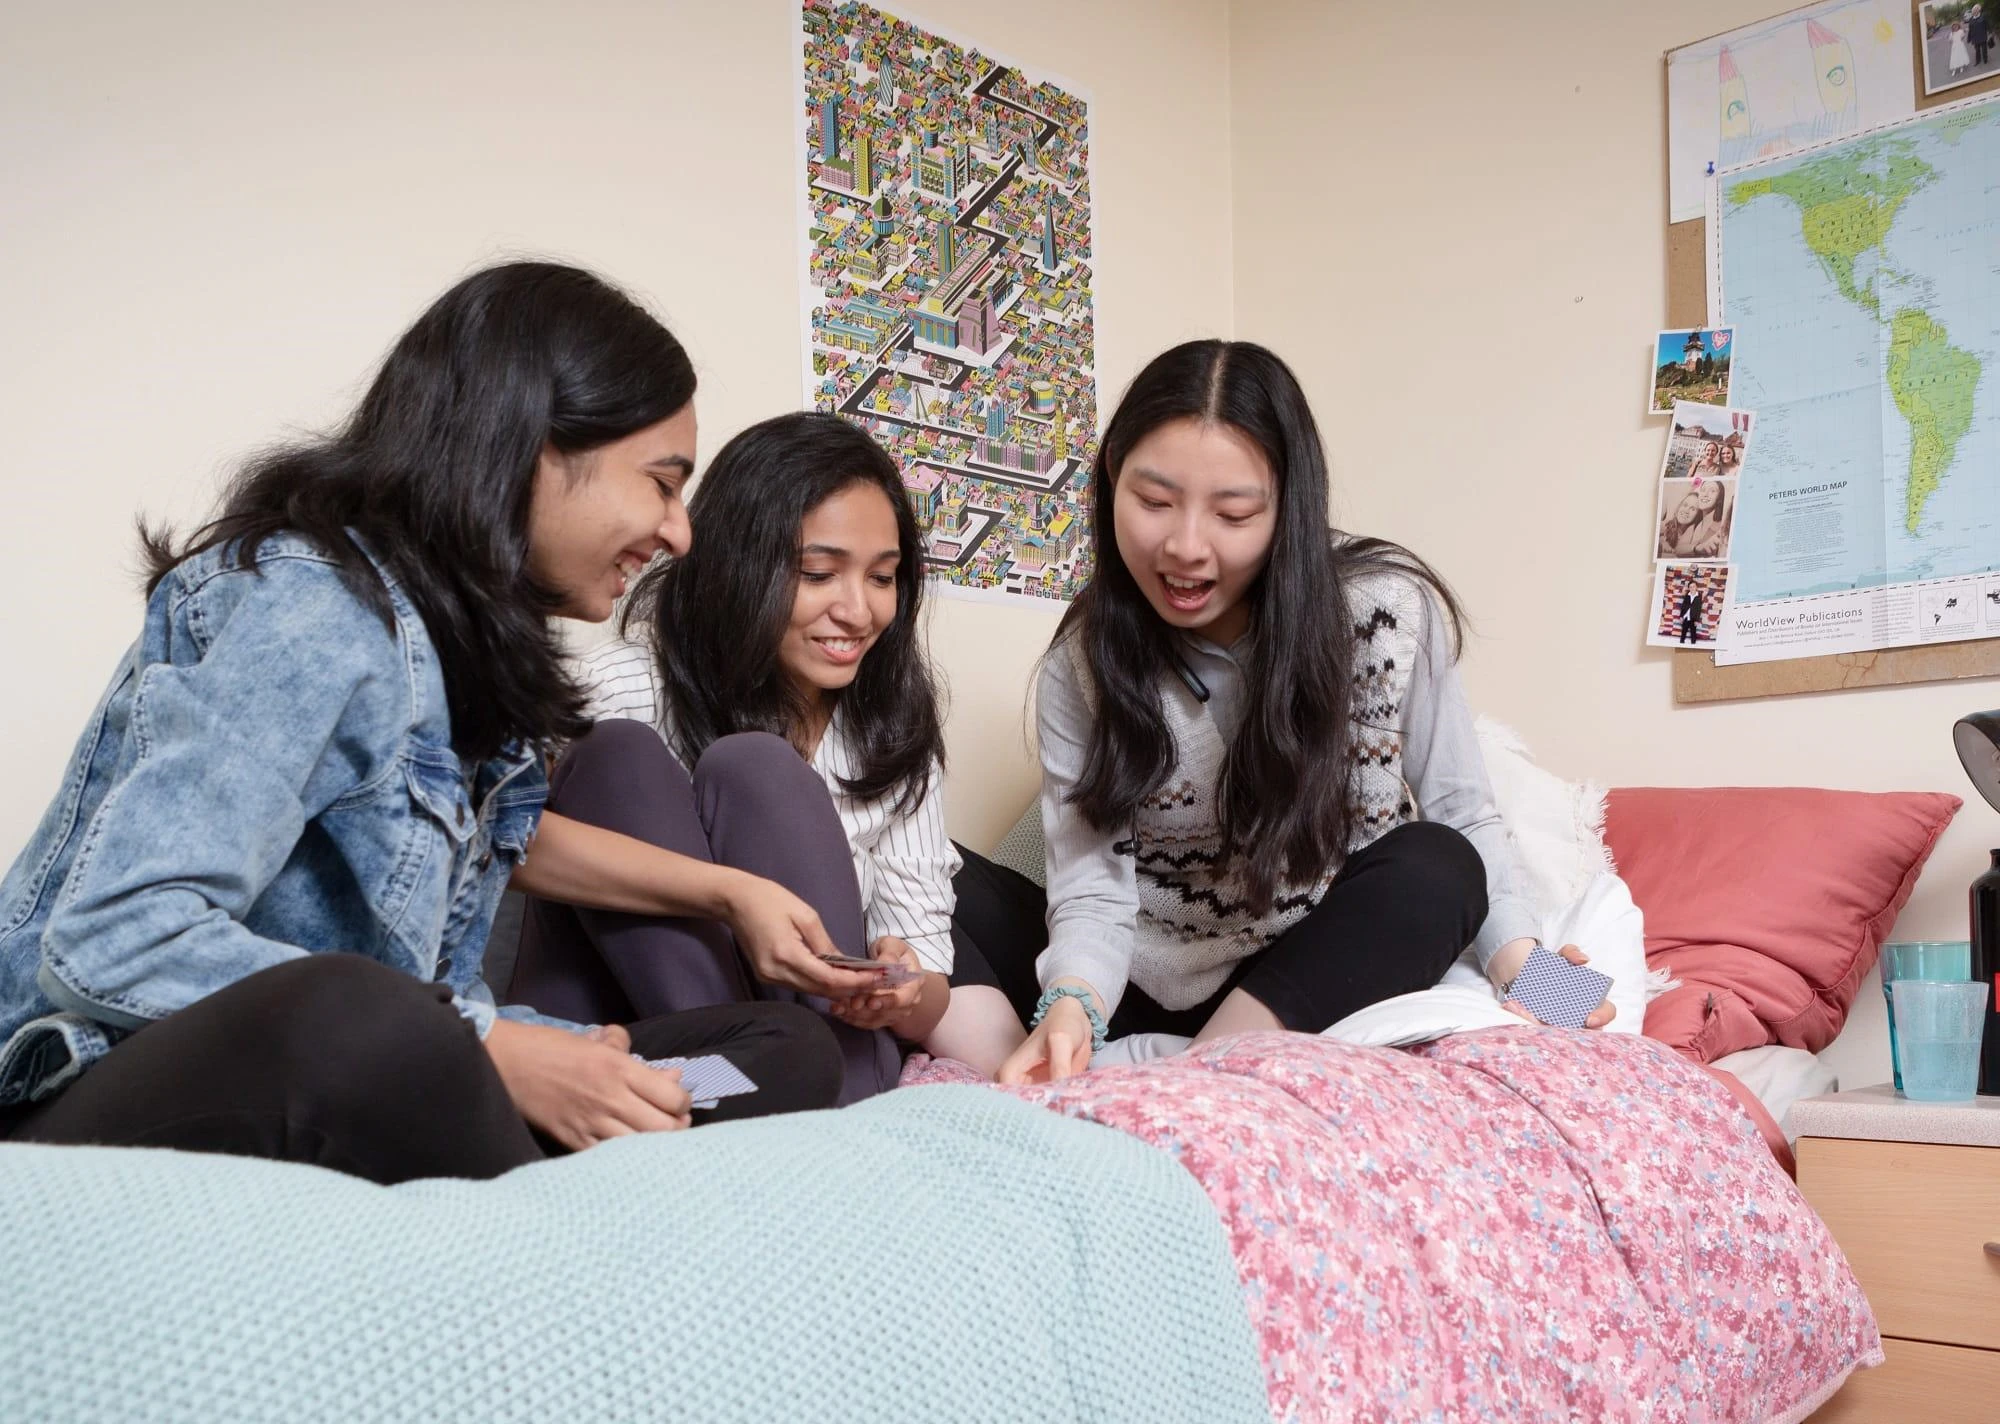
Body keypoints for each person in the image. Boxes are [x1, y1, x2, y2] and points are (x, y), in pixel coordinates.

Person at [0, 263, 851, 1184]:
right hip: (113, 1092)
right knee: (369, 1012)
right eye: (661, 483)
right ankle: (541, 1198)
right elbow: (117, 938)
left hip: (401, 1063)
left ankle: (551, 1140)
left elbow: (468, 916)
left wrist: (569, 1043)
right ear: (530, 449)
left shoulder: (466, 655)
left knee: (781, 1044)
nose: (679, 534)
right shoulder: (313, 606)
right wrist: (493, 1049)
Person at [949, 340, 1615, 1085]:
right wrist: (1070, 1005)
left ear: (1287, 506)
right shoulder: (1086, 658)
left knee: (1439, 865)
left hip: (1301, 980)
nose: (1185, 547)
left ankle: (1197, 1076)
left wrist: (1534, 972)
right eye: (1153, 502)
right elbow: (1092, 882)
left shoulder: (1386, 610)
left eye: (1233, 514)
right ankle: (1068, 1062)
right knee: (917, 873)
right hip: (1139, 982)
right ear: (1111, 481)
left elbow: (1462, 810)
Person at [508, 412, 1008, 1094]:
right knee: (618, 754)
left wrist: (903, 990)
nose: (858, 611)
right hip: (645, 1041)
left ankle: (755, 1088)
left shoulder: (892, 736)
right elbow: (493, 840)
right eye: (818, 573)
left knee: (758, 769)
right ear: (736, 565)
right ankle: (738, 1084)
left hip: (828, 1049)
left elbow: (928, 977)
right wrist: (732, 898)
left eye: (883, 578)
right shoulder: (621, 686)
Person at [1659, 490, 1707, 559]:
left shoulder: (1695, 534)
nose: (1686, 511)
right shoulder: (1663, 527)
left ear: (1698, 515)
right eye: (1685, 505)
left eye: (1693, 509)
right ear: (1679, 507)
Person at [1691, 479, 1732, 559]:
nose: (1705, 494)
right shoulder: (1698, 524)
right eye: (1703, 490)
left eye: (1712, 491)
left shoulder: (1721, 526)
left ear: (1719, 498)